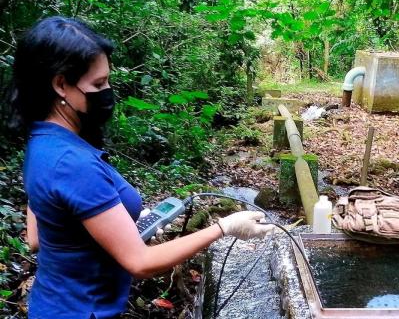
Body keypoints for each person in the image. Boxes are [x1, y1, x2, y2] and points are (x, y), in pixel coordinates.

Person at [13, 16, 274, 319]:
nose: (108, 91)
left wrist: (114, 228)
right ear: (61, 84)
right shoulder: (73, 163)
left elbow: (37, 238)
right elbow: (140, 262)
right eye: (98, 84)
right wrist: (224, 227)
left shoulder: (42, 141)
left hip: (51, 303)